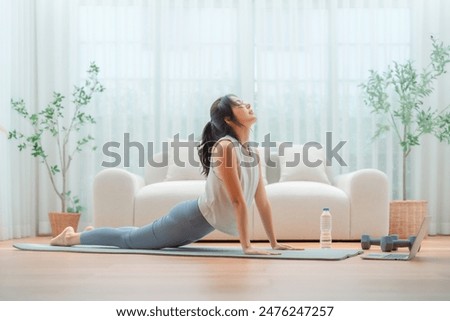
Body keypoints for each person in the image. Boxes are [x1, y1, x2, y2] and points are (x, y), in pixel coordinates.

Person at [51, 94, 297, 255]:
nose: (249, 105)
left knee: (138, 235)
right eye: (242, 105)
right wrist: (247, 247)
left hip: (196, 222)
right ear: (229, 119)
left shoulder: (251, 153)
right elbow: (236, 201)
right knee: (130, 241)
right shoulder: (225, 147)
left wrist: (273, 242)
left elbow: (261, 201)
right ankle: (71, 238)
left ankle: (93, 233)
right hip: (189, 220)